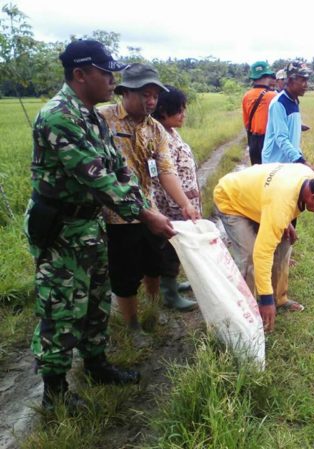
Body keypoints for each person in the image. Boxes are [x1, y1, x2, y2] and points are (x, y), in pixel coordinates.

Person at [24, 40, 176, 410]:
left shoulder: (91, 115)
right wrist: (146, 215)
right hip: (60, 230)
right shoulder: (59, 116)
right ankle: (54, 393)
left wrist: (143, 206)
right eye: (106, 73)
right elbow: (97, 178)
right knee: (61, 307)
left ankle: (96, 364)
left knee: (94, 300)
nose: (113, 80)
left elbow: (118, 170)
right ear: (80, 74)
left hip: (89, 225)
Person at [100, 64, 201, 330]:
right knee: (125, 274)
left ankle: (154, 311)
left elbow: (166, 171)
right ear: (125, 92)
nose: (151, 100)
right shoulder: (102, 119)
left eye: (155, 95)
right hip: (116, 214)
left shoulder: (156, 129)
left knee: (153, 264)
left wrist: (185, 204)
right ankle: (132, 326)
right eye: (145, 94)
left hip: (150, 208)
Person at [213, 163, 314, 332]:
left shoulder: (307, 175)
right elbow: (262, 254)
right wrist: (265, 300)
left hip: (261, 199)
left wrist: (286, 222)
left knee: (284, 244)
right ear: (313, 197)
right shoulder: (280, 206)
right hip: (231, 198)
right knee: (250, 256)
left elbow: (280, 198)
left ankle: (280, 299)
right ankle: (249, 312)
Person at [151, 85, 200, 311]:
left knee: (177, 246)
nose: (183, 114)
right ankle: (169, 293)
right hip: (171, 206)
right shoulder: (159, 136)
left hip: (183, 202)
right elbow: (163, 175)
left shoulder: (170, 131)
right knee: (170, 247)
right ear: (163, 111)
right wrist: (180, 205)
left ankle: (172, 283)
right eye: (178, 110)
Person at [262, 61, 313, 165]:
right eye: (303, 80)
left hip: (286, 162)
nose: (306, 85)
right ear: (290, 80)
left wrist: (298, 126)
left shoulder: (294, 100)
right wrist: (301, 161)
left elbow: (289, 130)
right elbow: (281, 138)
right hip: (274, 163)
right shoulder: (279, 103)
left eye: (307, 80)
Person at [242, 61, 276, 165]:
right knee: (269, 174)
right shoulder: (273, 96)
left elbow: (247, 123)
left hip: (253, 141)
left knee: (256, 172)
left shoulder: (246, 96)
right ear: (267, 76)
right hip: (268, 140)